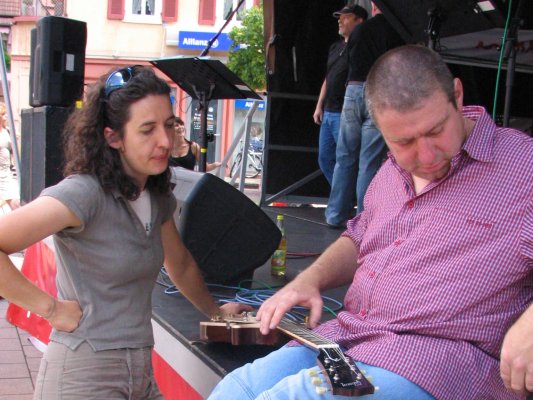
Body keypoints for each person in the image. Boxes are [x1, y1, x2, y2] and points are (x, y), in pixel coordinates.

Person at [208, 45, 533, 400]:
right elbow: (360, 237)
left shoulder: (522, 167)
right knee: (236, 389)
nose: (426, 156)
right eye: (404, 142)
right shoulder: (391, 169)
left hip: (438, 359)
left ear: (457, 95)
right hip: (353, 336)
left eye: (436, 130)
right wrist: (309, 280)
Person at [0, 66, 250, 399]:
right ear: (113, 137)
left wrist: (217, 313)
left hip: (140, 371)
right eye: (148, 130)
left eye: (169, 125)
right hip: (83, 374)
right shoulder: (83, 193)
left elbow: (181, 264)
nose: (165, 141)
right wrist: (50, 309)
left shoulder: (156, 196)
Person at [325, 1, 404, 227]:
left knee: (344, 157)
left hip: (353, 91)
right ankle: (363, 220)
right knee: (368, 161)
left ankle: (335, 214)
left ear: (373, 6)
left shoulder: (359, 31)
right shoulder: (396, 31)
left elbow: (349, 62)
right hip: (380, 92)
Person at [312, 5, 367, 186]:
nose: (340, 20)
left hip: (345, 111)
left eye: (346, 17)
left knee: (347, 159)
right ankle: (343, 195)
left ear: (359, 20)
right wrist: (319, 105)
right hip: (329, 110)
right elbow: (329, 78)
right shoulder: (335, 47)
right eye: (339, 17)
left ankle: (345, 196)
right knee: (325, 158)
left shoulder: (360, 47)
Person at [0, 102, 20, 212]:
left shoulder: (8, 131)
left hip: (6, 174)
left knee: (16, 204)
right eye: (3, 114)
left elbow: (15, 152)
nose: (6, 116)